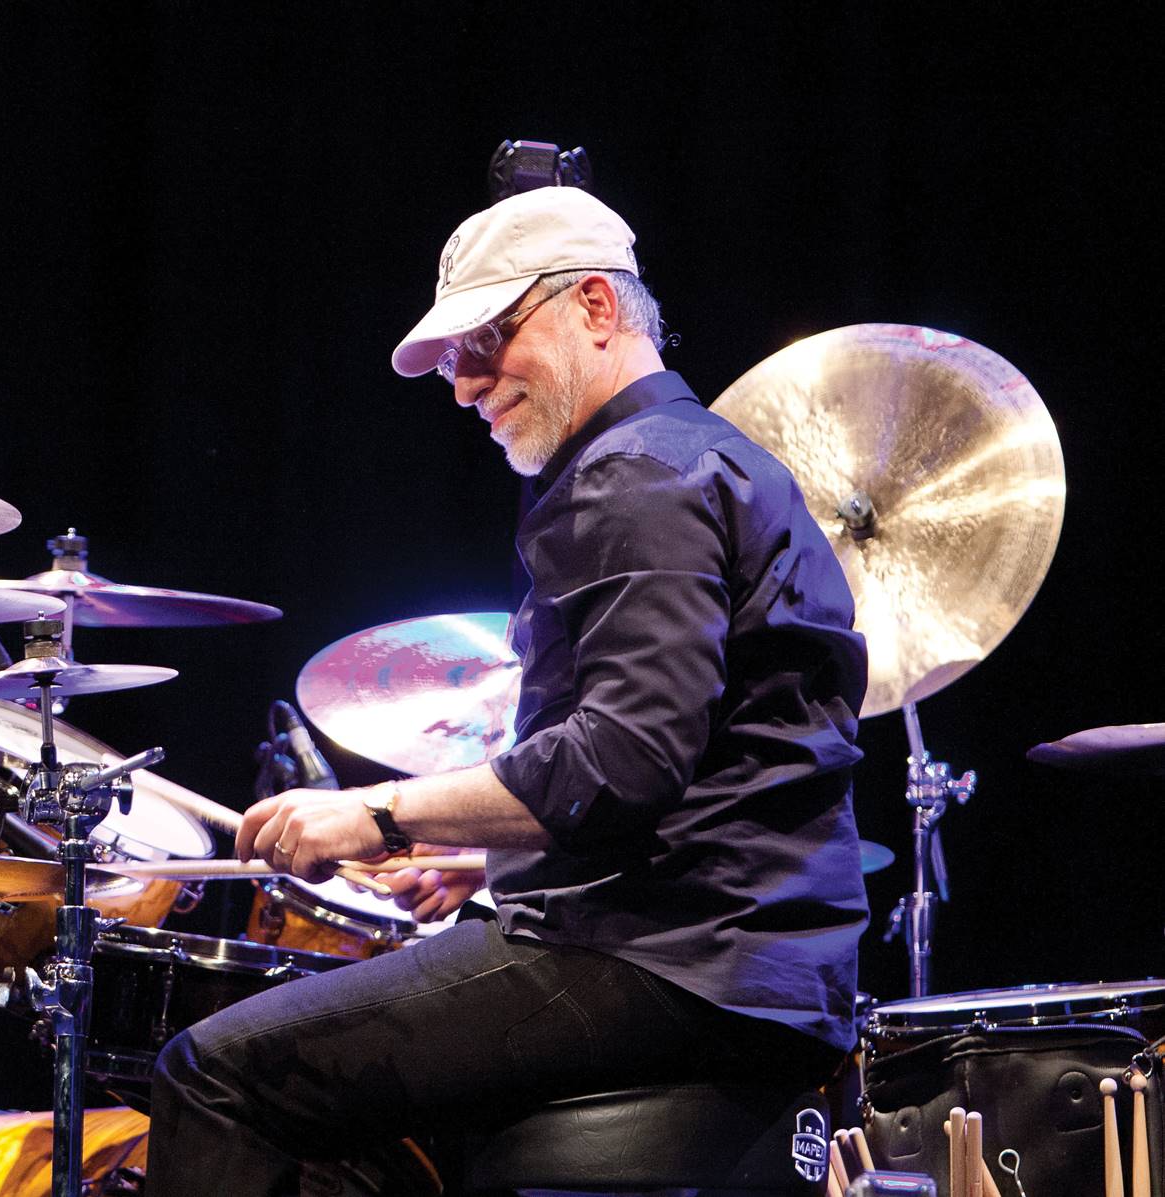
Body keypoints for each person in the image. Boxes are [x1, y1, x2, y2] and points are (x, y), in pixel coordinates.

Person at [145, 185, 869, 1194]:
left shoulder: (635, 475)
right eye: (453, 357)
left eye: (486, 339)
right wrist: (488, 858)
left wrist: (378, 813)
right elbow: (704, 768)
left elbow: (623, 759)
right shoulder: (706, 459)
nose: (463, 384)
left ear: (595, 306)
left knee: (214, 1075)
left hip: (672, 964)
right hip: (737, 960)